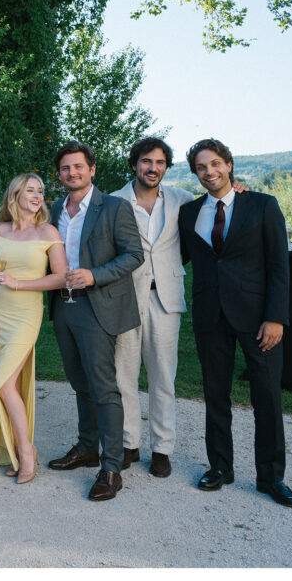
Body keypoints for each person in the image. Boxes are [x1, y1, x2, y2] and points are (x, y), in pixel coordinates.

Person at [179, 138, 292, 506]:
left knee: (267, 396)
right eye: (201, 167)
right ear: (195, 173)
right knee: (216, 394)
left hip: (257, 319)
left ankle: (271, 477)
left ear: (229, 165)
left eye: (215, 164)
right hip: (210, 316)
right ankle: (220, 467)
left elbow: (279, 266)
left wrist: (275, 317)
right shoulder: (189, 213)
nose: (209, 172)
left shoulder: (262, 205)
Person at [46, 140, 143, 501]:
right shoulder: (56, 207)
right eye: (65, 168)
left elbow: (134, 255)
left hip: (96, 304)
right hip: (63, 306)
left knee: (103, 386)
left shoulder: (114, 207)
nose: (71, 173)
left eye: (78, 167)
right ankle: (87, 448)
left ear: (92, 170)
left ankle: (112, 468)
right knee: (79, 383)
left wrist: (94, 275)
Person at [110, 137, 195, 479]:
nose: (153, 168)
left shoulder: (183, 200)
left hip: (166, 297)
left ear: (166, 167)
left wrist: (240, 189)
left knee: (163, 377)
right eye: (147, 161)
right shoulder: (114, 201)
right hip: (126, 298)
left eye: (160, 162)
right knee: (123, 374)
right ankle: (129, 443)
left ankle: (162, 448)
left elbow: (217, 208)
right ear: (134, 164)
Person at [0, 174, 67, 484]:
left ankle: (26, 452)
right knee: (5, 384)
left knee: (3, 384)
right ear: (15, 194)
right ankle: (18, 450)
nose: (37, 195)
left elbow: (60, 277)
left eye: (40, 191)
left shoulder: (48, 231)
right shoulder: (0, 230)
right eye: (30, 190)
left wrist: (19, 284)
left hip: (26, 315)